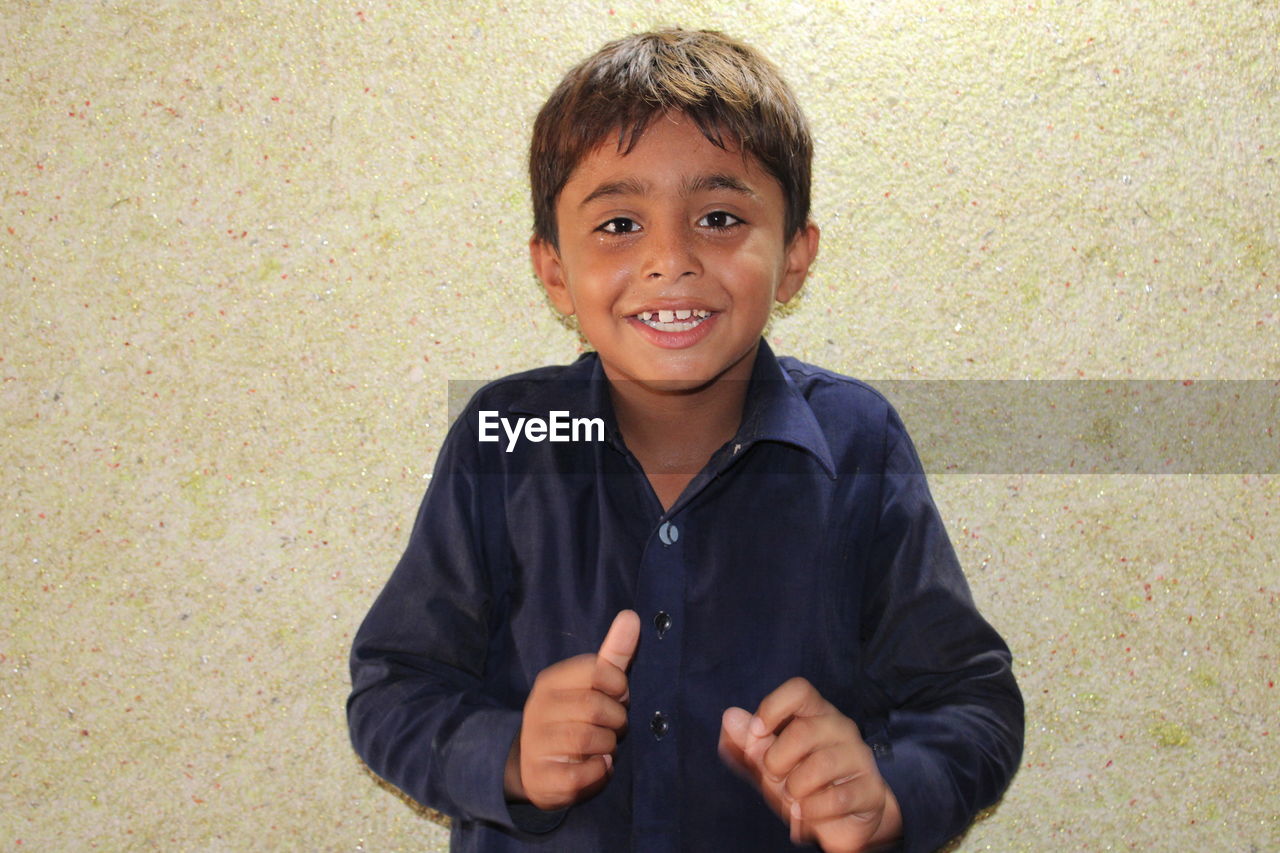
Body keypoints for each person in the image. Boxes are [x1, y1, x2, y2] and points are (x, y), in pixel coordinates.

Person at [347, 28, 1023, 852]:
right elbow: (390, 688)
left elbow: (971, 699)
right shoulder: (505, 439)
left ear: (797, 256)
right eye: (620, 222)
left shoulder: (857, 440)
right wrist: (508, 757)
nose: (670, 259)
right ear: (554, 271)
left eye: (718, 217)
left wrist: (884, 791)